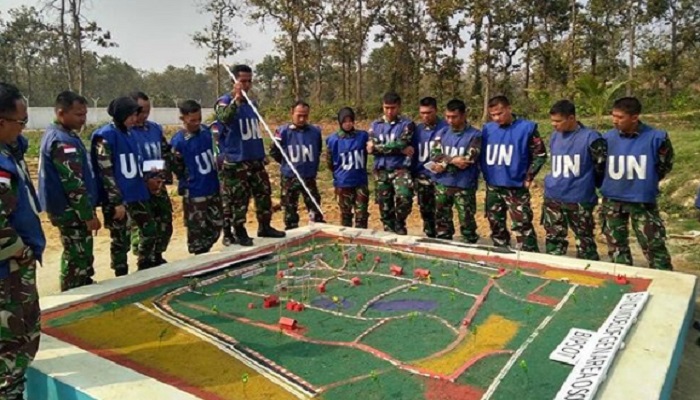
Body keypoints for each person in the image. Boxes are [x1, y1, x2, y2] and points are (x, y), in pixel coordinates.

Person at [0, 82, 45, 399]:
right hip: (9, 271)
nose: (23, 128)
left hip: (15, 265)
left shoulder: (7, 153)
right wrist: (22, 251)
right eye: (20, 121)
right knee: (12, 346)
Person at [215, 64, 285, 246]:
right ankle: (238, 230)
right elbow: (223, 118)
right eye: (242, 81)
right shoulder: (224, 101)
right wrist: (236, 100)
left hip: (255, 158)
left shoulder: (252, 104)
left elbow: (255, 130)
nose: (246, 85)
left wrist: (261, 153)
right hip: (237, 160)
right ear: (234, 81)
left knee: (263, 193)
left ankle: (265, 225)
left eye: (249, 81)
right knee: (239, 199)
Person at [600, 97, 674, 270]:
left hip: (641, 200)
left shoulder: (657, 138)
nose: (615, 120)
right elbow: (599, 165)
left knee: (653, 245)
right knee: (616, 247)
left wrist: (646, 181)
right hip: (613, 199)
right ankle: (621, 280)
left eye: (620, 117)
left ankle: (665, 283)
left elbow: (664, 165)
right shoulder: (607, 138)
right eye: (613, 116)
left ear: (634, 117)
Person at [38, 91, 101, 291]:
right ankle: (73, 290)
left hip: (70, 209)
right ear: (61, 113)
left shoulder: (64, 135)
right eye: (78, 115)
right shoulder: (61, 140)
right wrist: (87, 214)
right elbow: (72, 183)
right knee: (76, 254)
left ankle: (83, 284)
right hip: (70, 210)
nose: (83, 119)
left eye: (84, 114)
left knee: (81, 251)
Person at [91, 96, 159, 275]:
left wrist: (153, 177)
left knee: (150, 229)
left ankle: (145, 265)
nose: (135, 119)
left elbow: (138, 161)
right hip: (119, 197)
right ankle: (120, 272)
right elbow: (105, 171)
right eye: (131, 115)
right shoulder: (104, 137)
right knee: (121, 239)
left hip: (137, 191)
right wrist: (116, 201)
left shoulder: (130, 133)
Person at [481, 95, 547, 251]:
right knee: (495, 223)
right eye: (493, 115)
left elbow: (540, 154)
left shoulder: (526, 128)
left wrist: (529, 176)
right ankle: (501, 252)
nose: (496, 118)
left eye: (500, 113)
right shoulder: (487, 129)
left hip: (516, 186)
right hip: (493, 186)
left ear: (509, 108)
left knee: (522, 225)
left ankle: (529, 257)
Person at [542, 100, 606, 260]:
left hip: (579, 199)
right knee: (553, 241)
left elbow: (601, 168)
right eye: (552, 120)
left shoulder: (591, 138)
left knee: (585, 242)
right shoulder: (555, 137)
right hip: (553, 196)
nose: (553, 124)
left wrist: (590, 185)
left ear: (571, 118)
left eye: (558, 121)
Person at [171, 100, 223, 254]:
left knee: (217, 222)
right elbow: (176, 167)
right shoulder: (179, 141)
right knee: (196, 229)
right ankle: (198, 253)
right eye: (192, 120)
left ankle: (205, 248)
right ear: (183, 118)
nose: (196, 123)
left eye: (199, 119)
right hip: (194, 191)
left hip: (212, 186)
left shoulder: (207, 132)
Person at [129, 91, 172, 265]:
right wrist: (144, 180)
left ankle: (158, 254)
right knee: (145, 227)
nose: (144, 115)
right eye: (141, 111)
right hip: (139, 186)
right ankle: (144, 259)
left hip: (158, 183)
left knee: (165, 222)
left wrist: (162, 177)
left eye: (148, 111)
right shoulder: (126, 132)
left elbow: (164, 153)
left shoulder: (154, 128)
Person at [430, 99, 482, 242]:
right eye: (447, 116)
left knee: (466, 220)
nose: (450, 120)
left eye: (454, 117)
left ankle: (470, 246)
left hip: (463, 184)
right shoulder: (442, 132)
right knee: (442, 219)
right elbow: (434, 155)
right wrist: (452, 160)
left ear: (464, 115)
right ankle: (444, 244)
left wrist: (444, 160)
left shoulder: (475, 135)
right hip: (442, 182)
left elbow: (467, 160)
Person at [270, 101, 324, 229]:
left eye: (305, 116)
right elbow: (274, 151)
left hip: (309, 177)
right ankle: (291, 230)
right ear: (292, 113)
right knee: (289, 210)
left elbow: (318, 150)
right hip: (290, 177)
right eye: (299, 115)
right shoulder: (282, 131)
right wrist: (287, 164)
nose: (302, 119)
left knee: (314, 206)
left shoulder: (315, 131)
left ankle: (315, 231)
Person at [367, 92, 415, 235]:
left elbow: (402, 142)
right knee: (384, 203)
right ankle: (389, 230)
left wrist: (377, 148)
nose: (389, 111)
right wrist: (398, 149)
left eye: (393, 108)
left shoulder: (407, 124)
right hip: (381, 170)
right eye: (386, 107)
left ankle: (399, 222)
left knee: (405, 197)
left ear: (399, 107)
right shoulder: (375, 125)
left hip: (400, 169)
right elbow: (370, 147)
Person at [326, 107, 370, 228]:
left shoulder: (362, 136)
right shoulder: (333, 140)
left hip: (360, 182)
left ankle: (362, 239)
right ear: (340, 122)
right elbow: (330, 162)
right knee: (346, 215)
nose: (348, 123)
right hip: (343, 182)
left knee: (362, 214)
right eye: (345, 121)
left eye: (350, 120)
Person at [412, 97, 448, 238]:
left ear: (436, 111)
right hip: (422, 176)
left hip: (440, 177)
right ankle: (430, 236)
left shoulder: (445, 128)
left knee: (442, 211)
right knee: (425, 211)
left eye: (429, 112)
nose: (425, 116)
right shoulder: (417, 129)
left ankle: (444, 238)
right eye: (422, 113)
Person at [210, 120, 236, 246]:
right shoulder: (215, 126)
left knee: (238, 203)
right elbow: (214, 151)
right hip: (221, 173)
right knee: (226, 205)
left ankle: (238, 230)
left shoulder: (235, 124)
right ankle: (227, 233)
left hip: (235, 170)